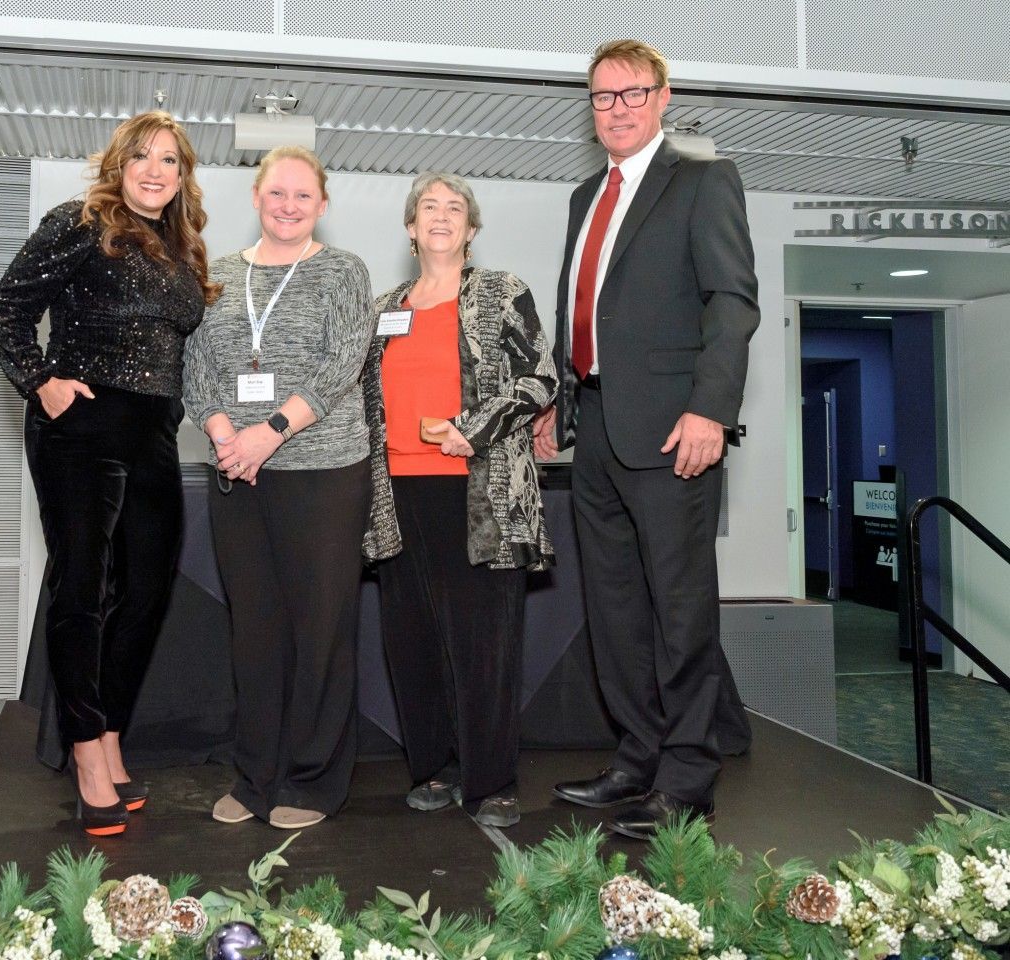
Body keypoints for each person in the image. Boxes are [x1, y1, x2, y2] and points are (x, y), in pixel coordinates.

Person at [533, 39, 760, 839]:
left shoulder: (702, 181)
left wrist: (710, 410)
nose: (618, 108)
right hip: (594, 427)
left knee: (681, 608)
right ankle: (637, 757)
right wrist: (559, 399)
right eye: (603, 97)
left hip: (674, 432)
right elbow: (584, 312)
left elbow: (731, 303)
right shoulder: (583, 195)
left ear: (664, 97)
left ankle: (688, 776)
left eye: (633, 93)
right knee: (617, 608)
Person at [0, 111, 219, 836]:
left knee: (146, 590)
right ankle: (87, 756)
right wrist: (38, 381)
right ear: (119, 164)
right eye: (143, 157)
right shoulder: (79, 222)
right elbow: (8, 307)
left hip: (154, 429)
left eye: (171, 161)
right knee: (83, 588)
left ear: (184, 176)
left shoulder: (183, 249)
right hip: (81, 424)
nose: (156, 170)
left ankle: (112, 733)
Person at [182, 146, 374, 830]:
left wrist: (269, 431)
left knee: (319, 629)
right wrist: (225, 435)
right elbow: (195, 366)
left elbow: (341, 364)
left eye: (302, 196)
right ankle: (256, 775)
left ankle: (312, 781)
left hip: (322, 470)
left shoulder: (344, 271)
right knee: (255, 632)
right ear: (258, 197)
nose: (288, 206)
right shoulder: (219, 275)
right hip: (237, 469)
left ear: (321, 205)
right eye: (277, 193)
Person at [362, 172, 557, 829]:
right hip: (393, 495)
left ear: (471, 231)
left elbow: (542, 377)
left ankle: (493, 781)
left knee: (483, 643)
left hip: (482, 492)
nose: (441, 216)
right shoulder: (384, 306)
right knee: (411, 639)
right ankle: (435, 770)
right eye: (428, 207)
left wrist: (470, 430)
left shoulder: (503, 292)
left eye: (455, 209)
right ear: (411, 227)